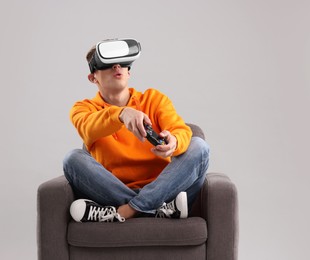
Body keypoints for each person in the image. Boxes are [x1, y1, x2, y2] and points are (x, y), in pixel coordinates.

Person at [63, 39, 210, 222]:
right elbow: (88, 127)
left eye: (123, 63)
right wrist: (122, 114)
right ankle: (154, 209)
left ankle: (126, 210)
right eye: (107, 64)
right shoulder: (83, 108)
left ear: (129, 71)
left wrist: (175, 141)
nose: (117, 66)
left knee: (199, 147)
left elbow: (179, 129)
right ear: (93, 77)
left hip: (166, 188)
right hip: (117, 191)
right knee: (72, 159)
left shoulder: (154, 99)